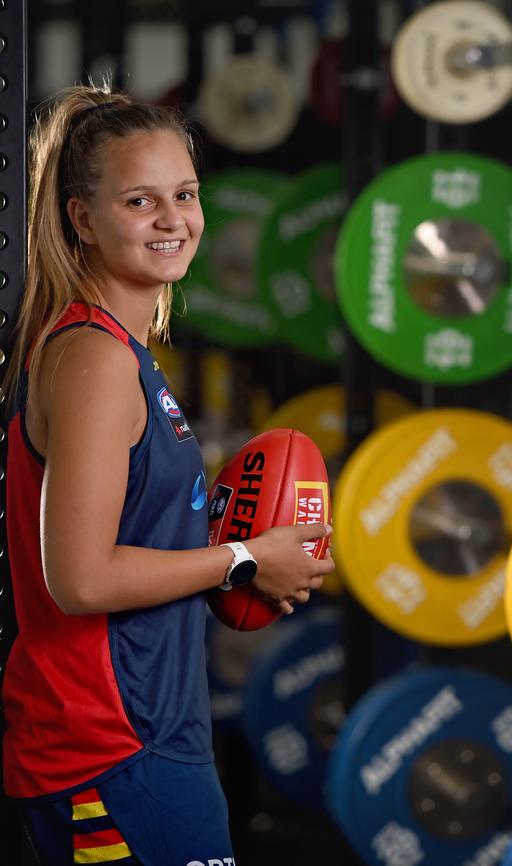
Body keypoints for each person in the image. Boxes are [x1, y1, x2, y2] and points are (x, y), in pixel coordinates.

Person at [1, 82, 334, 866]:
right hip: (110, 750)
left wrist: (239, 568)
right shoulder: (93, 358)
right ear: (82, 218)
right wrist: (248, 558)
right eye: (139, 201)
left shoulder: (120, 350)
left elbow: (129, 544)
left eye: (183, 194)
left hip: (145, 741)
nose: (173, 220)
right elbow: (79, 579)